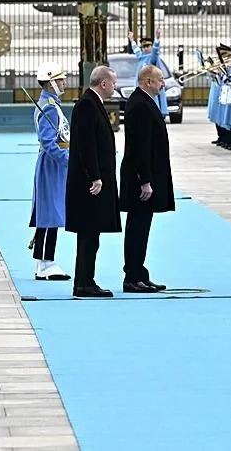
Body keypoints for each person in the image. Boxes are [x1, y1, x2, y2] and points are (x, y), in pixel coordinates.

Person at [65, 66, 122, 298]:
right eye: (114, 83)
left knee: (92, 234)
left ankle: (86, 280)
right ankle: (84, 283)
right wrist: (95, 176)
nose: (115, 87)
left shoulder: (92, 102)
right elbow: (85, 144)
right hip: (89, 183)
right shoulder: (87, 104)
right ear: (104, 83)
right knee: (89, 233)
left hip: (95, 178)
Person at [119, 64, 175, 293]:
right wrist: (145, 180)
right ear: (147, 81)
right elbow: (139, 147)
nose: (163, 83)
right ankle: (132, 277)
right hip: (140, 178)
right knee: (137, 228)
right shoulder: (140, 104)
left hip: (147, 175)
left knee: (142, 228)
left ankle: (139, 272)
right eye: (160, 79)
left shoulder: (145, 101)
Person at [29, 62, 71, 281]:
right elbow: (48, 142)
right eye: (60, 80)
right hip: (52, 164)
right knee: (49, 213)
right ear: (51, 82)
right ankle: (46, 262)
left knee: (51, 211)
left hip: (54, 163)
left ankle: (43, 261)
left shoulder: (51, 104)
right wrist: (67, 160)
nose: (64, 83)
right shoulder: (49, 108)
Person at [128, 28, 169, 118]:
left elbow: (155, 51)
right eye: (144, 47)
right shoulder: (141, 57)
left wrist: (157, 39)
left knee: (152, 108)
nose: (146, 48)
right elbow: (136, 50)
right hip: (141, 88)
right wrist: (132, 40)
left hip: (151, 88)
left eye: (148, 46)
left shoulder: (153, 58)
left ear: (151, 46)